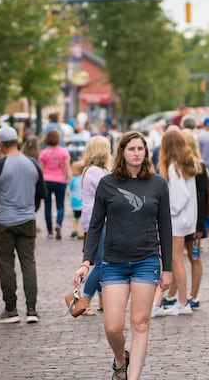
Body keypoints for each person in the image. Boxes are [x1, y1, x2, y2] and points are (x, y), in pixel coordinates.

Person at [73, 131, 172, 380]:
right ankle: (120, 359)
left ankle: (134, 377)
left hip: (146, 261)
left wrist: (167, 267)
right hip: (113, 262)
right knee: (113, 326)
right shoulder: (107, 183)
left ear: (146, 152)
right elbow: (95, 225)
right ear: (122, 153)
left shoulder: (158, 184)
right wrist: (87, 262)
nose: (137, 153)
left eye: (141, 149)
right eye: (131, 149)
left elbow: (166, 227)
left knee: (140, 323)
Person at [0, 126, 46, 324]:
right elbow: (41, 193)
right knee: (28, 263)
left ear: (1, 144)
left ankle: (10, 309)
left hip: (3, 222)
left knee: (6, 266)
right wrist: (30, 209)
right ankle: (31, 309)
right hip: (27, 219)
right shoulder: (33, 164)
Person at [158, 129, 201, 315]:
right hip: (189, 218)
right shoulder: (189, 163)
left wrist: (168, 212)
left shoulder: (173, 167)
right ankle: (182, 301)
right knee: (179, 261)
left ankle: (182, 302)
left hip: (177, 219)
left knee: (176, 261)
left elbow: (179, 196)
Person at [71, 136, 112, 316]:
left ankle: (104, 300)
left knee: (102, 259)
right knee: (102, 263)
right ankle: (84, 301)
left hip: (96, 219)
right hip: (98, 220)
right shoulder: (95, 171)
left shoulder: (96, 170)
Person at [39, 129, 72, 239]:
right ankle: (58, 224)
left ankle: (50, 231)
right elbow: (68, 169)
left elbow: (41, 170)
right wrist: (70, 181)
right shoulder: (64, 152)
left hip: (46, 181)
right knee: (60, 205)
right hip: (60, 181)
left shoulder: (44, 153)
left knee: (47, 206)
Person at [68, 161, 83, 239]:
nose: (71, 171)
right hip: (83, 202)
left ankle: (74, 230)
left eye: (73, 170)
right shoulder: (84, 178)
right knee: (82, 218)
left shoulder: (73, 179)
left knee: (75, 217)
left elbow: (71, 188)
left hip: (75, 201)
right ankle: (81, 233)